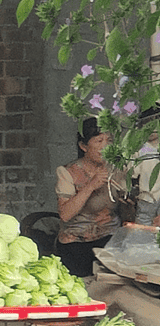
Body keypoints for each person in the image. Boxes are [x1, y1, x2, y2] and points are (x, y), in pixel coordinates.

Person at [55, 117, 126, 277]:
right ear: (83, 146)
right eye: (99, 141)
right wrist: (91, 185)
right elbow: (65, 214)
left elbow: (127, 207)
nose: (105, 146)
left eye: (109, 140)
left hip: (110, 241)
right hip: (77, 244)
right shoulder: (67, 172)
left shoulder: (117, 170)